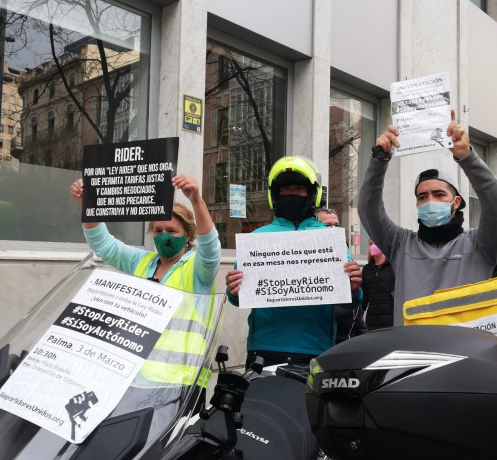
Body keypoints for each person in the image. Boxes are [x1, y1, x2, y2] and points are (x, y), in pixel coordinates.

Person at [358, 109, 497, 326]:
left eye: (439, 194)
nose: (430, 201)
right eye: (422, 196)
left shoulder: (481, 244)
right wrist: (378, 160)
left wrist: (467, 157)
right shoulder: (401, 245)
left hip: (467, 356)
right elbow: (368, 207)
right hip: (414, 355)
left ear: (456, 202)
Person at [69, 174, 221, 391]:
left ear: (187, 236)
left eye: (172, 231)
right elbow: (103, 245)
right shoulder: (143, 261)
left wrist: (196, 201)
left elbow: (211, 249)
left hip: (181, 382)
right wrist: (88, 204)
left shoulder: (197, 269)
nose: (163, 236)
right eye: (158, 231)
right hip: (135, 377)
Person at [225, 156, 363, 367]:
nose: (292, 194)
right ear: (276, 195)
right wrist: (233, 290)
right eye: (286, 189)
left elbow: (349, 302)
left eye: (299, 188)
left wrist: (354, 289)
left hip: (316, 347)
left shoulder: (330, 239)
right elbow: (238, 299)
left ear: (311, 194)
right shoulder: (257, 238)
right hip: (265, 347)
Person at [316, 207, 368, 342]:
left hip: (348, 347)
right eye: (327, 225)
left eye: (337, 225)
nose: (333, 230)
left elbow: (358, 316)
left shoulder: (347, 260)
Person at [361, 239, 395, 330]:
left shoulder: (393, 267)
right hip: (372, 322)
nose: (372, 246)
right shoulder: (367, 269)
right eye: (370, 244)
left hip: (392, 321)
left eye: (375, 242)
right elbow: (364, 297)